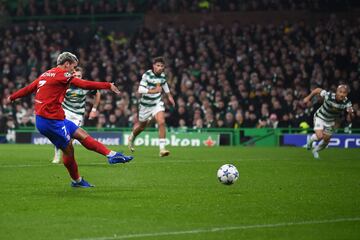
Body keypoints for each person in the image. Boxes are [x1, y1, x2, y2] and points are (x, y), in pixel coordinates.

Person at [6, 52, 133, 187]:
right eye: (73, 67)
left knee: (81, 134)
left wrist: (12, 97)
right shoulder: (64, 74)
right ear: (66, 64)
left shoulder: (46, 74)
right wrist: (107, 85)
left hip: (55, 118)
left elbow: (28, 89)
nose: (74, 70)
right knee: (69, 151)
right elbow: (84, 84)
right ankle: (76, 181)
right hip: (50, 122)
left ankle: (112, 155)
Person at [128, 57, 175, 157]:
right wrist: (154, 91)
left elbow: (164, 84)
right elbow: (140, 90)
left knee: (162, 122)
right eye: (158, 65)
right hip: (145, 105)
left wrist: (170, 96)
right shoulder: (147, 75)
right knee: (141, 126)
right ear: (153, 66)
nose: (160, 68)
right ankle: (132, 137)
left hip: (157, 103)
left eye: (162, 66)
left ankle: (162, 149)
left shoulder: (162, 76)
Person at [52, 67, 101, 164]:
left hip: (77, 115)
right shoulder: (65, 84)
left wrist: (94, 109)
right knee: (60, 135)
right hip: (65, 112)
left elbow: (97, 93)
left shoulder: (86, 85)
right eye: (75, 76)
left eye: (79, 76)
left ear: (82, 76)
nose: (77, 78)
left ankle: (66, 156)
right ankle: (57, 155)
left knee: (70, 138)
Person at [303, 85, 354, 159]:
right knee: (320, 136)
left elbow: (351, 116)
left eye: (344, 93)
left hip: (330, 121)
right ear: (336, 92)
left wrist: (350, 114)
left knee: (326, 140)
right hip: (320, 117)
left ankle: (315, 150)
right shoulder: (329, 95)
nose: (342, 94)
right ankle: (310, 142)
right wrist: (308, 98)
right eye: (340, 92)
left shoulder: (347, 102)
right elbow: (317, 90)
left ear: (346, 94)